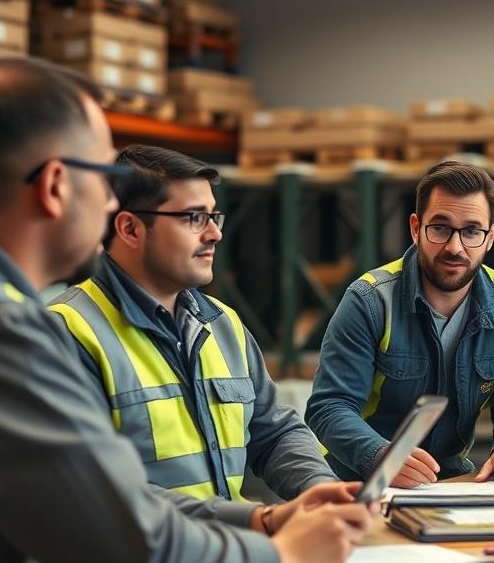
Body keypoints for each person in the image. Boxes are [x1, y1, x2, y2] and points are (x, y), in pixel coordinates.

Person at [0, 57, 373, 563]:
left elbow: (103, 497)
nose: (111, 201)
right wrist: (281, 555)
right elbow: (133, 551)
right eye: (106, 179)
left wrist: (258, 519)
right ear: (58, 185)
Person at [49, 144, 341, 513]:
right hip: (148, 560)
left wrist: (320, 487)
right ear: (130, 228)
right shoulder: (68, 333)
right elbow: (100, 488)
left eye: (214, 217)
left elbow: (273, 432)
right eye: (193, 218)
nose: (215, 234)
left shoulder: (222, 324)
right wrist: (255, 520)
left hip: (231, 550)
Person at [307, 160, 494, 487]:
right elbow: (329, 407)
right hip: (357, 482)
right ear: (416, 228)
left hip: (449, 484)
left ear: (491, 236)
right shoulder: (370, 300)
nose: (454, 247)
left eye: (472, 231)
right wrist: (380, 454)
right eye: (440, 227)